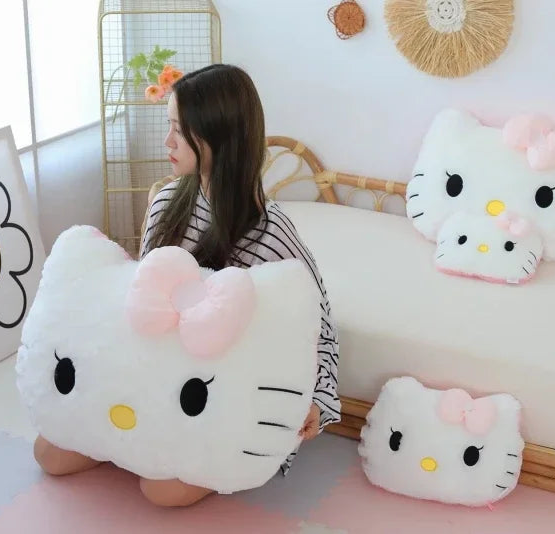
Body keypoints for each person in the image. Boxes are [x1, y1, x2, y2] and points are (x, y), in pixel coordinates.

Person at [33, 64, 341, 507]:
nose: (167, 142)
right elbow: (143, 302)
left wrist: (317, 403)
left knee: (162, 490)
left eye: (180, 130)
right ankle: (128, 437)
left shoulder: (270, 234)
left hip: (221, 395)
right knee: (49, 454)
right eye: (170, 126)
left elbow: (321, 329)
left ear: (219, 137)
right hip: (156, 381)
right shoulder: (165, 203)